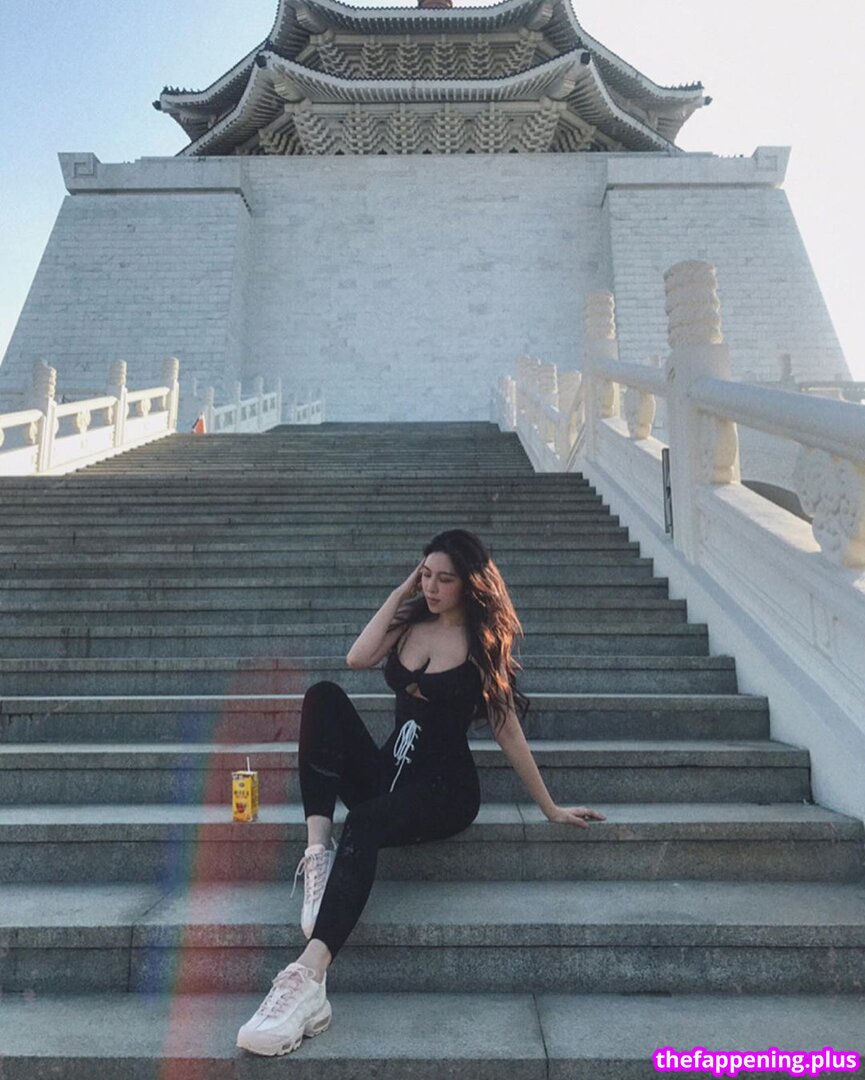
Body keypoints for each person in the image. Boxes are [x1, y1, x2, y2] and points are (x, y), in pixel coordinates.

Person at [236, 528, 605, 1057]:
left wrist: (549, 807)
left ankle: (309, 979)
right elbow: (357, 658)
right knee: (323, 696)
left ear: (470, 584)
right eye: (425, 575)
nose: (431, 587)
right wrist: (401, 593)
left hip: (444, 790)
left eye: (444, 579)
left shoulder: (481, 645)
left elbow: (506, 729)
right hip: (388, 773)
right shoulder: (411, 621)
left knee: (363, 822)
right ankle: (318, 853)